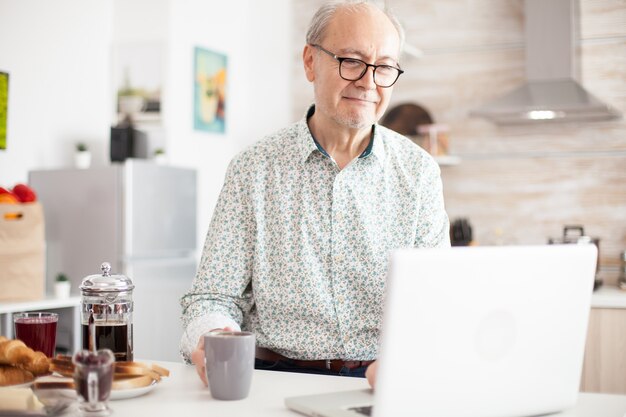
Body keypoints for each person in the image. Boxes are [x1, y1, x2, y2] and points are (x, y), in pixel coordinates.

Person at [180, 0, 450, 386]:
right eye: (352, 61)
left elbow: (437, 300)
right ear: (310, 61)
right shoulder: (253, 169)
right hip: (272, 379)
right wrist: (215, 336)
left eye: (385, 67)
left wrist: (410, 359)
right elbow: (211, 298)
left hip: (382, 381)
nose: (369, 82)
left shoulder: (419, 173)